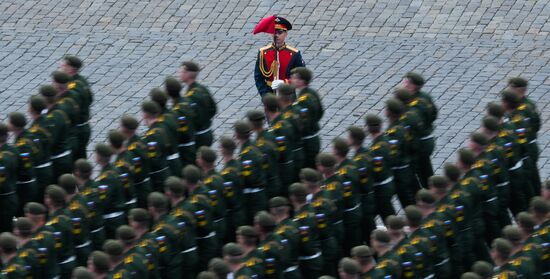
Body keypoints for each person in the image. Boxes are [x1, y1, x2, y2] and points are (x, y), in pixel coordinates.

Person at [254, 16, 305, 96]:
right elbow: (258, 78)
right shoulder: (263, 52)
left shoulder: (294, 54)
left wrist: (285, 82)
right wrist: (266, 96)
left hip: (288, 96)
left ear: (286, 34)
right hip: (270, 95)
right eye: (274, 32)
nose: (276, 35)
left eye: (280, 32)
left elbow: (302, 76)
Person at [290, 67, 323, 169]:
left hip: (308, 142)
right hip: (314, 137)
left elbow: (303, 124)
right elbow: (321, 111)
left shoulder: (303, 100)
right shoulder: (312, 93)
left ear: (301, 81)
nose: (291, 80)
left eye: (294, 78)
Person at [61, 55, 93, 160]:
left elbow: (72, 110)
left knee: (75, 160)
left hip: (78, 129)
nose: (61, 66)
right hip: (84, 126)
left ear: (71, 69)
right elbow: (91, 98)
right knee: (81, 157)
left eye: (64, 65)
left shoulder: (73, 87)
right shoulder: (82, 80)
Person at [179, 61, 216, 148]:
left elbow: (191, 119)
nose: (179, 74)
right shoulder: (203, 89)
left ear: (187, 74)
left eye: (181, 72)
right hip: (208, 132)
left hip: (199, 137)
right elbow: (213, 109)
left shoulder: (190, 97)